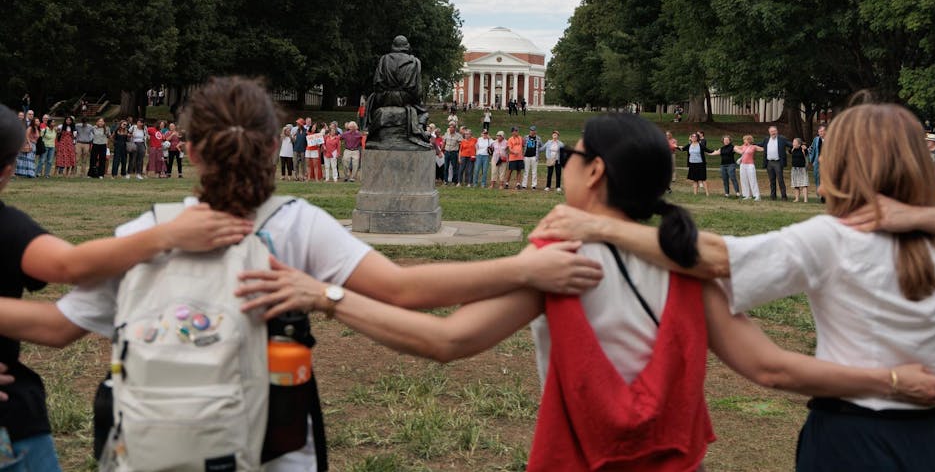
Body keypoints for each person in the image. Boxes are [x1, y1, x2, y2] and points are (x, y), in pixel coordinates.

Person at [238, 113, 935, 471]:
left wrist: (324, 294)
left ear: (595, 172)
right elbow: (768, 368)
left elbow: (447, 341)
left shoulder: (559, 260)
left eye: (573, 154)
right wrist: (887, 379)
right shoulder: (685, 262)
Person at [0, 78, 601, 471]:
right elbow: (405, 290)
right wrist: (524, 266)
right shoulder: (295, 226)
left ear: (192, 149)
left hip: (157, 444)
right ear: (272, 147)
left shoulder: (144, 234)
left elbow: (55, 327)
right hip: (275, 444)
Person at [534, 102, 935, 471]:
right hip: (929, 435)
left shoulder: (831, 239)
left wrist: (605, 228)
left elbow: (716, 259)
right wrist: (927, 218)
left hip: (847, 436)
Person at [0, 103, 250, 471]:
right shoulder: (7, 227)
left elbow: (58, 323)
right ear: (7, 171)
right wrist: (167, 233)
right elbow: (70, 266)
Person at [757, 125, 790, 200]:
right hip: (769, 163)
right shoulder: (766, 139)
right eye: (771, 131)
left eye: (774, 131)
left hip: (778, 162)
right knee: (772, 180)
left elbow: (790, 144)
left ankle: (784, 196)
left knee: (780, 180)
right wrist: (751, 144)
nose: (773, 133)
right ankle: (773, 196)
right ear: (769, 132)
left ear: (777, 131)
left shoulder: (782, 139)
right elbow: (760, 144)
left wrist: (799, 146)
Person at [736, 135, 763, 201]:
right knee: (743, 180)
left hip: (750, 165)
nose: (744, 141)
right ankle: (746, 195)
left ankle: (757, 196)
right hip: (742, 165)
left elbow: (762, 149)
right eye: (744, 140)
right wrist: (737, 148)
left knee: (752, 180)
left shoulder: (753, 147)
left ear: (749, 140)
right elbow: (735, 147)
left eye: (745, 139)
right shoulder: (743, 146)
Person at [789, 138, 809, 203]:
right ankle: (797, 199)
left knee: (804, 184)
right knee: (796, 185)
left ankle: (805, 200)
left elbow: (806, 154)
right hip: (794, 169)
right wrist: (792, 148)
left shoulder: (803, 149)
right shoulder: (793, 149)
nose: (793, 143)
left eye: (794, 142)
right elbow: (789, 152)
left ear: (799, 144)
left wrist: (805, 149)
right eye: (793, 142)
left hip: (802, 169)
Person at [807, 124, 825, 196]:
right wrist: (812, 160)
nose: (820, 133)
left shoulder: (830, 139)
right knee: (817, 177)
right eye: (819, 132)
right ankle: (819, 192)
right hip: (817, 161)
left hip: (827, 162)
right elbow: (811, 149)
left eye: (822, 131)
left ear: (825, 132)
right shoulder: (816, 139)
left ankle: (825, 194)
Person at [505, 126, 525, 190]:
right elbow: (509, 149)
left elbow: (523, 145)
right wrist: (513, 152)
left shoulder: (520, 138)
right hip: (512, 158)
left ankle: (518, 184)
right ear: (512, 132)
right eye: (515, 131)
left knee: (519, 171)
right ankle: (507, 184)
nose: (517, 132)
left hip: (520, 158)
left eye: (517, 131)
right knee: (510, 171)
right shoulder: (510, 139)